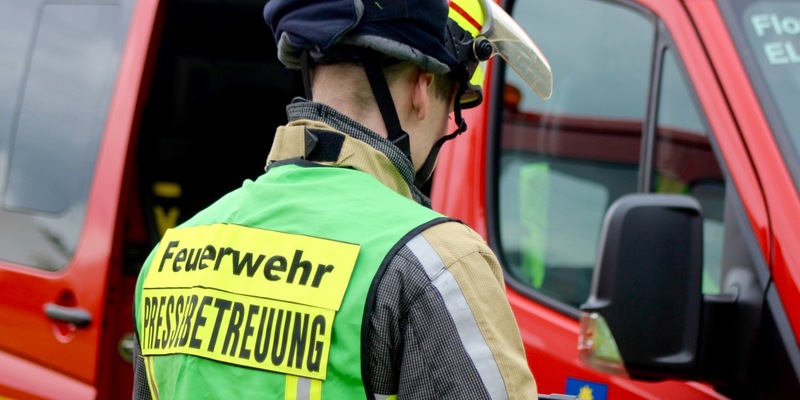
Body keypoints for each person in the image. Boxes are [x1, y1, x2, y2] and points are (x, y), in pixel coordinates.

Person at [132, 0, 552, 398]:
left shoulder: (170, 257)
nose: (446, 124)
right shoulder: (438, 263)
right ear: (423, 89)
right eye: (451, 108)